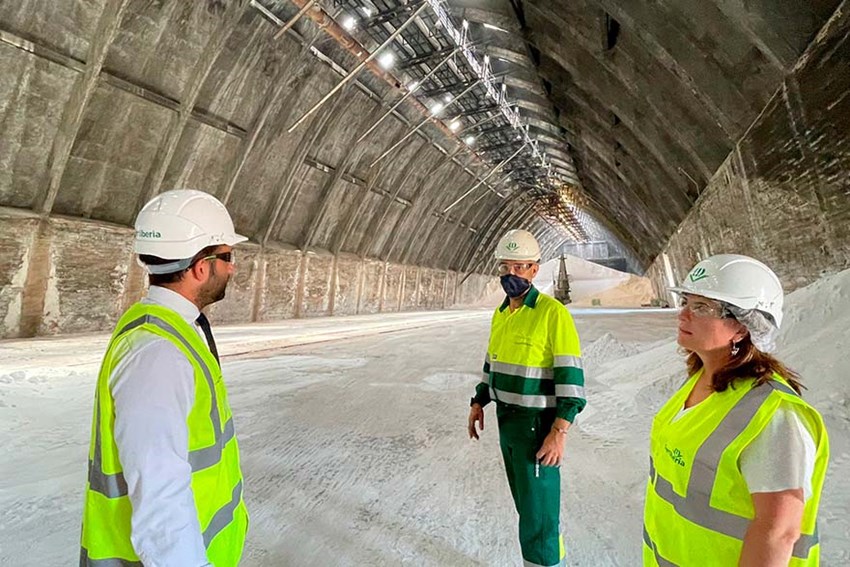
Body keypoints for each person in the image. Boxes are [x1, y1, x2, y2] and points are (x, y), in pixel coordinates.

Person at [80, 189, 249, 566]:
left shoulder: (171, 331)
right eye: (227, 257)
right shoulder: (158, 355)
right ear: (201, 267)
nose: (232, 268)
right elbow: (160, 496)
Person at [643, 254, 829, 566]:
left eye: (702, 307)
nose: (683, 314)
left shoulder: (774, 416)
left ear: (743, 327)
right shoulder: (699, 381)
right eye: (686, 302)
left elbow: (778, 531)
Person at [468, 229, 586, 567]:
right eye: (505, 267)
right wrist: (478, 401)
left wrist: (559, 431)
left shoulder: (552, 314)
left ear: (535, 269)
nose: (512, 274)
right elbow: (492, 363)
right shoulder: (501, 313)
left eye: (520, 267)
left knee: (539, 514)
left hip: (537, 426)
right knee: (527, 507)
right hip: (508, 424)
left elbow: (571, 379)